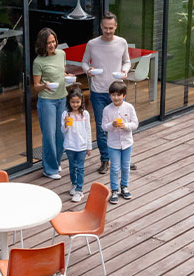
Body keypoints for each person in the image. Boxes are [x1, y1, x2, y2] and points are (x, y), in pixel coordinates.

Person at [82, 11, 131, 175]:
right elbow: (84, 62)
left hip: (117, 91)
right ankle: (105, 160)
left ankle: (122, 158)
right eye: (105, 28)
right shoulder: (92, 44)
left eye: (111, 28)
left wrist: (124, 71)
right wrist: (87, 70)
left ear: (116, 26)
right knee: (102, 128)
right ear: (100, 27)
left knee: (120, 125)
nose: (108, 31)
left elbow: (127, 61)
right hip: (98, 91)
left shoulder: (122, 42)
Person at [32, 27, 73, 179]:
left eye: (54, 41)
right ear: (42, 44)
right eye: (48, 42)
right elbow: (36, 86)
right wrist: (44, 85)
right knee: (49, 135)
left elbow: (60, 72)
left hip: (62, 98)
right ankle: (49, 169)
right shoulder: (38, 62)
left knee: (61, 133)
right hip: (47, 102)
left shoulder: (62, 54)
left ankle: (55, 162)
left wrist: (68, 76)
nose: (52, 45)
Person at [101, 81, 137, 204]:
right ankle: (114, 190)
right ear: (110, 96)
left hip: (127, 143)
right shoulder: (107, 110)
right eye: (113, 95)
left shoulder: (129, 107)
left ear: (124, 95)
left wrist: (125, 125)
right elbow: (104, 126)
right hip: (113, 144)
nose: (115, 97)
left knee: (126, 167)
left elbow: (135, 124)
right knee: (115, 168)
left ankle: (124, 187)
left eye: (118, 95)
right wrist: (112, 125)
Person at [61, 88, 92, 202]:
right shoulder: (66, 114)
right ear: (69, 102)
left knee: (80, 168)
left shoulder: (85, 114)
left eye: (77, 102)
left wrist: (89, 147)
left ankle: (79, 190)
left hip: (82, 146)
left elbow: (88, 130)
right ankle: (74, 184)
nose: (75, 104)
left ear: (81, 101)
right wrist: (65, 124)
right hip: (70, 145)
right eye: (73, 102)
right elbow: (63, 131)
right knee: (72, 167)